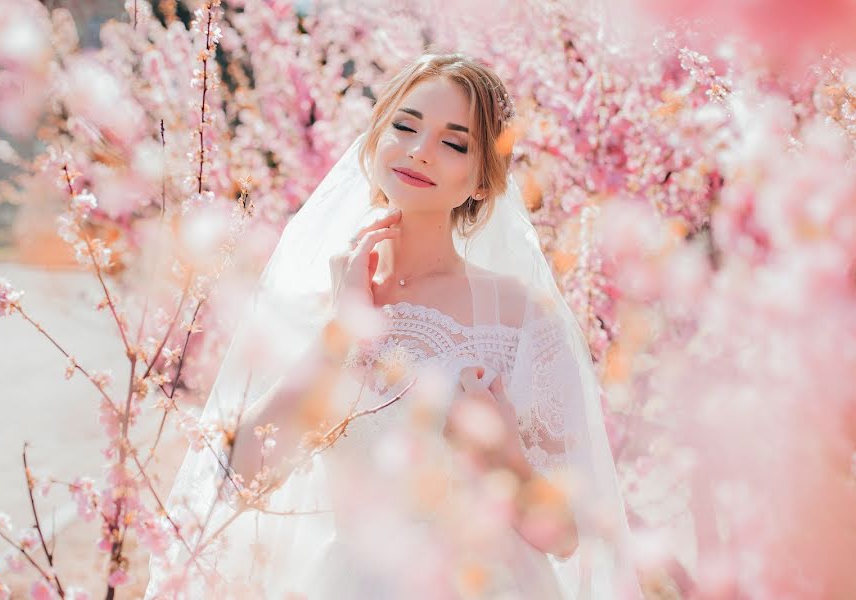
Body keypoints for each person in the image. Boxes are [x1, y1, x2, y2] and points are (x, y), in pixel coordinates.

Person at [146, 51, 642, 599]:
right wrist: (341, 337)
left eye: (453, 143)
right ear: (375, 137)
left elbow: (565, 536)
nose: (418, 151)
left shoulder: (520, 318)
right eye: (404, 126)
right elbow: (234, 477)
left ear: (482, 182)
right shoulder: (321, 299)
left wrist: (499, 452)